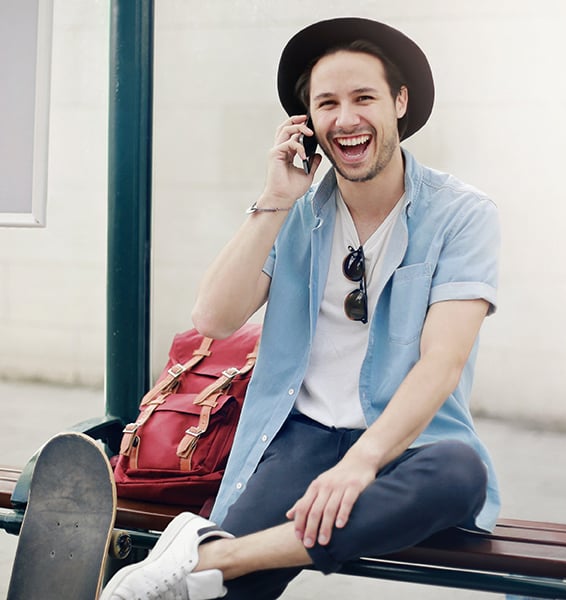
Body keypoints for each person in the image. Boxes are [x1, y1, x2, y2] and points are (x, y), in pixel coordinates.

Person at [101, 16, 501, 600]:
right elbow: (213, 318)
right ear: (308, 122)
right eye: (327, 103)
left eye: (364, 97)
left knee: (461, 475)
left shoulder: (461, 214)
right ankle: (228, 565)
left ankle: (222, 554)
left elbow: (441, 364)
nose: (346, 119)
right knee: (231, 596)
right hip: (300, 436)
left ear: (400, 102)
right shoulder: (294, 211)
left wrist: (361, 463)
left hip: (405, 440)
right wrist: (276, 198)